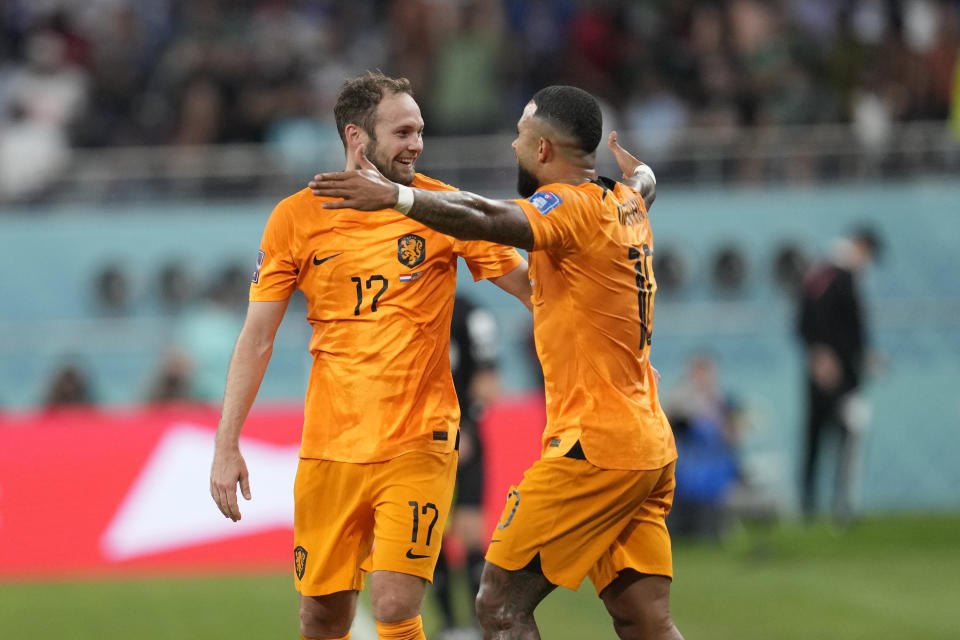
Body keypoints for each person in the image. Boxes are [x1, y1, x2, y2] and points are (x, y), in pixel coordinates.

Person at [309, 85, 683, 640]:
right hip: (648, 444)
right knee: (645, 619)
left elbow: (485, 217)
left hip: (596, 448)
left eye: (521, 136)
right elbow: (642, 184)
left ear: (544, 151)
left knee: (500, 605)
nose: (513, 146)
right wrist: (644, 173)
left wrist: (396, 197)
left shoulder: (573, 208)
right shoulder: (623, 202)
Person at [209, 71, 532, 640]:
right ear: (358, 138)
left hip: (418, 441)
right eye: (403, 131)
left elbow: (535, 291)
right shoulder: (294, 219)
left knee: (393, 604)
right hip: (330, 450)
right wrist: (226, 444)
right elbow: (256, 338)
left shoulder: (441, 208)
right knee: (321, 618)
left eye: (420, 130)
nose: (417, 144)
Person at [796, 227, 881, 525]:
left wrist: (863, 355)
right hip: (837, 377)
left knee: (823, 436)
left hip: (839, 371)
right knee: (845, 433)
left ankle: (820, 506)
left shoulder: (825, 273)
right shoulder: (834, 273)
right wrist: (820, 353)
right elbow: (812, 318)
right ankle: (837, 506)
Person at [433, 294, 501, 638]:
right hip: (424, 439)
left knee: (471, 530)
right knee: (430, 531)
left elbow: (488, 382)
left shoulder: (472, 315)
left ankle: (480, 624)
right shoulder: (409, 304)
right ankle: (447, 624)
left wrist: (467, 425)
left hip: (465, 437)